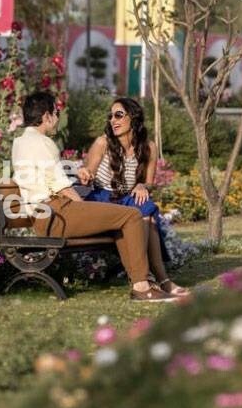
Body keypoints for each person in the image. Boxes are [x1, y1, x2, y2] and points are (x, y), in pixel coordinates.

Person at [10, 90, 176, 302]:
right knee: (132, 215)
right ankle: (142, 286)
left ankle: (142, 283)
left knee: (126, 216)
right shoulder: (43, 143)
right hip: (55, 214)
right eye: (56, 112)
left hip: (44, 215)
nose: (58, 117)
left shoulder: (21, 142)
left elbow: (48, 179)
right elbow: (63, 188)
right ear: (46, 116)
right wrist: (84, 206)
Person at [77, 97, 190, 297]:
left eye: (119, 115)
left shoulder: (149, 147)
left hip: (127, 199)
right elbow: (89, 171)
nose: (113, 120)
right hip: (102, 198)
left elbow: (149, 183)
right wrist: (85, 174)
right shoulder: (103, 142)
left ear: (133, 117)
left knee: (146, 209)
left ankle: (155, 279)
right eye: (111, 116)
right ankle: (151, 279)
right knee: (144, 214)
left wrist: (142, 185)